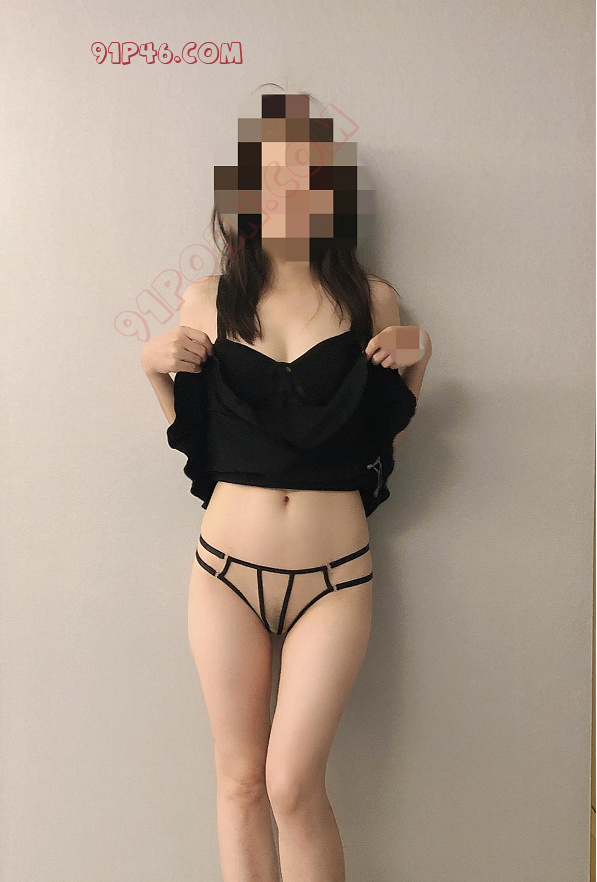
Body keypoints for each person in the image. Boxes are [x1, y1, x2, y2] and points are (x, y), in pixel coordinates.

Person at [141, 87, 432, 882]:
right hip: (223, 574)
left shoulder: (370, 299)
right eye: (269, 175)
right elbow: (201, 444)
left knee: (292, 786)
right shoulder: (206, 299)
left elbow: (380, 440)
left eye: (306, 175)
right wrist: (151, 369)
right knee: (239, 783)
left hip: (334, 578)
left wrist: (422, 358)